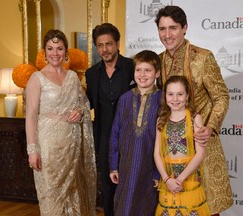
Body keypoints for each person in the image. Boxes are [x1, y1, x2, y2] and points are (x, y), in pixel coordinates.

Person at [155, 6, 233, 215]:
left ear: (185, 28)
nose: (168, 34)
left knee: (207, 207)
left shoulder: (203, 57)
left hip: (201, 143)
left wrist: (210, 127)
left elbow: (221, 97)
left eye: (173, 28)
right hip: (173, 148)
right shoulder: (159, 61)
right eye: (163, 29)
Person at [25, 29, 96, 216]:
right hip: (48, 146)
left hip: (71, 145)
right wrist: (32, 150)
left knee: (73, 193)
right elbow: (31, 115)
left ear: (66, 52)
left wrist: (80, 113)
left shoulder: (73, 77)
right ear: (44, 52)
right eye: (50, 48)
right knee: (51, 195)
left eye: (59, 48)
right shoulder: (37, 78)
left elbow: (84, 104)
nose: (55, 53)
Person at [85, 23, 136, 216]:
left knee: (132, 185)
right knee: (108, 189)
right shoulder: (91, 73)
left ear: (117, 44)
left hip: (132, 136)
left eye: (109, 44)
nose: (105, 49)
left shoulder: (133, 67)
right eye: (100, 45)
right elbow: (88, 102)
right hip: (104, 138)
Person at [109, 50, 161, 216]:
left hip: (150, 166)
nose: (142, 74)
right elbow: (115, 133)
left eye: (148, 70)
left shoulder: (164, 99)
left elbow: (166, 139)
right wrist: (113, 166)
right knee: (125, 204)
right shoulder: (124, 99)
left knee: (147, 206)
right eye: (138, 70)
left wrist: (158, 173)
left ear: (157, 73)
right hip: (126, 165)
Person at [154, 75, 210, 215]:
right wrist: (167, 180)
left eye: (180, 94)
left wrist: (179, 180)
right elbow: (157, 153)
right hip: (168, 181)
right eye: (170, 94)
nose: (175, 99)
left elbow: (200, 153)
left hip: (187, 180)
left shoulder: (194, 118)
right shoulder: (161, 119)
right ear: (165, 96)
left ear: (187, 95)